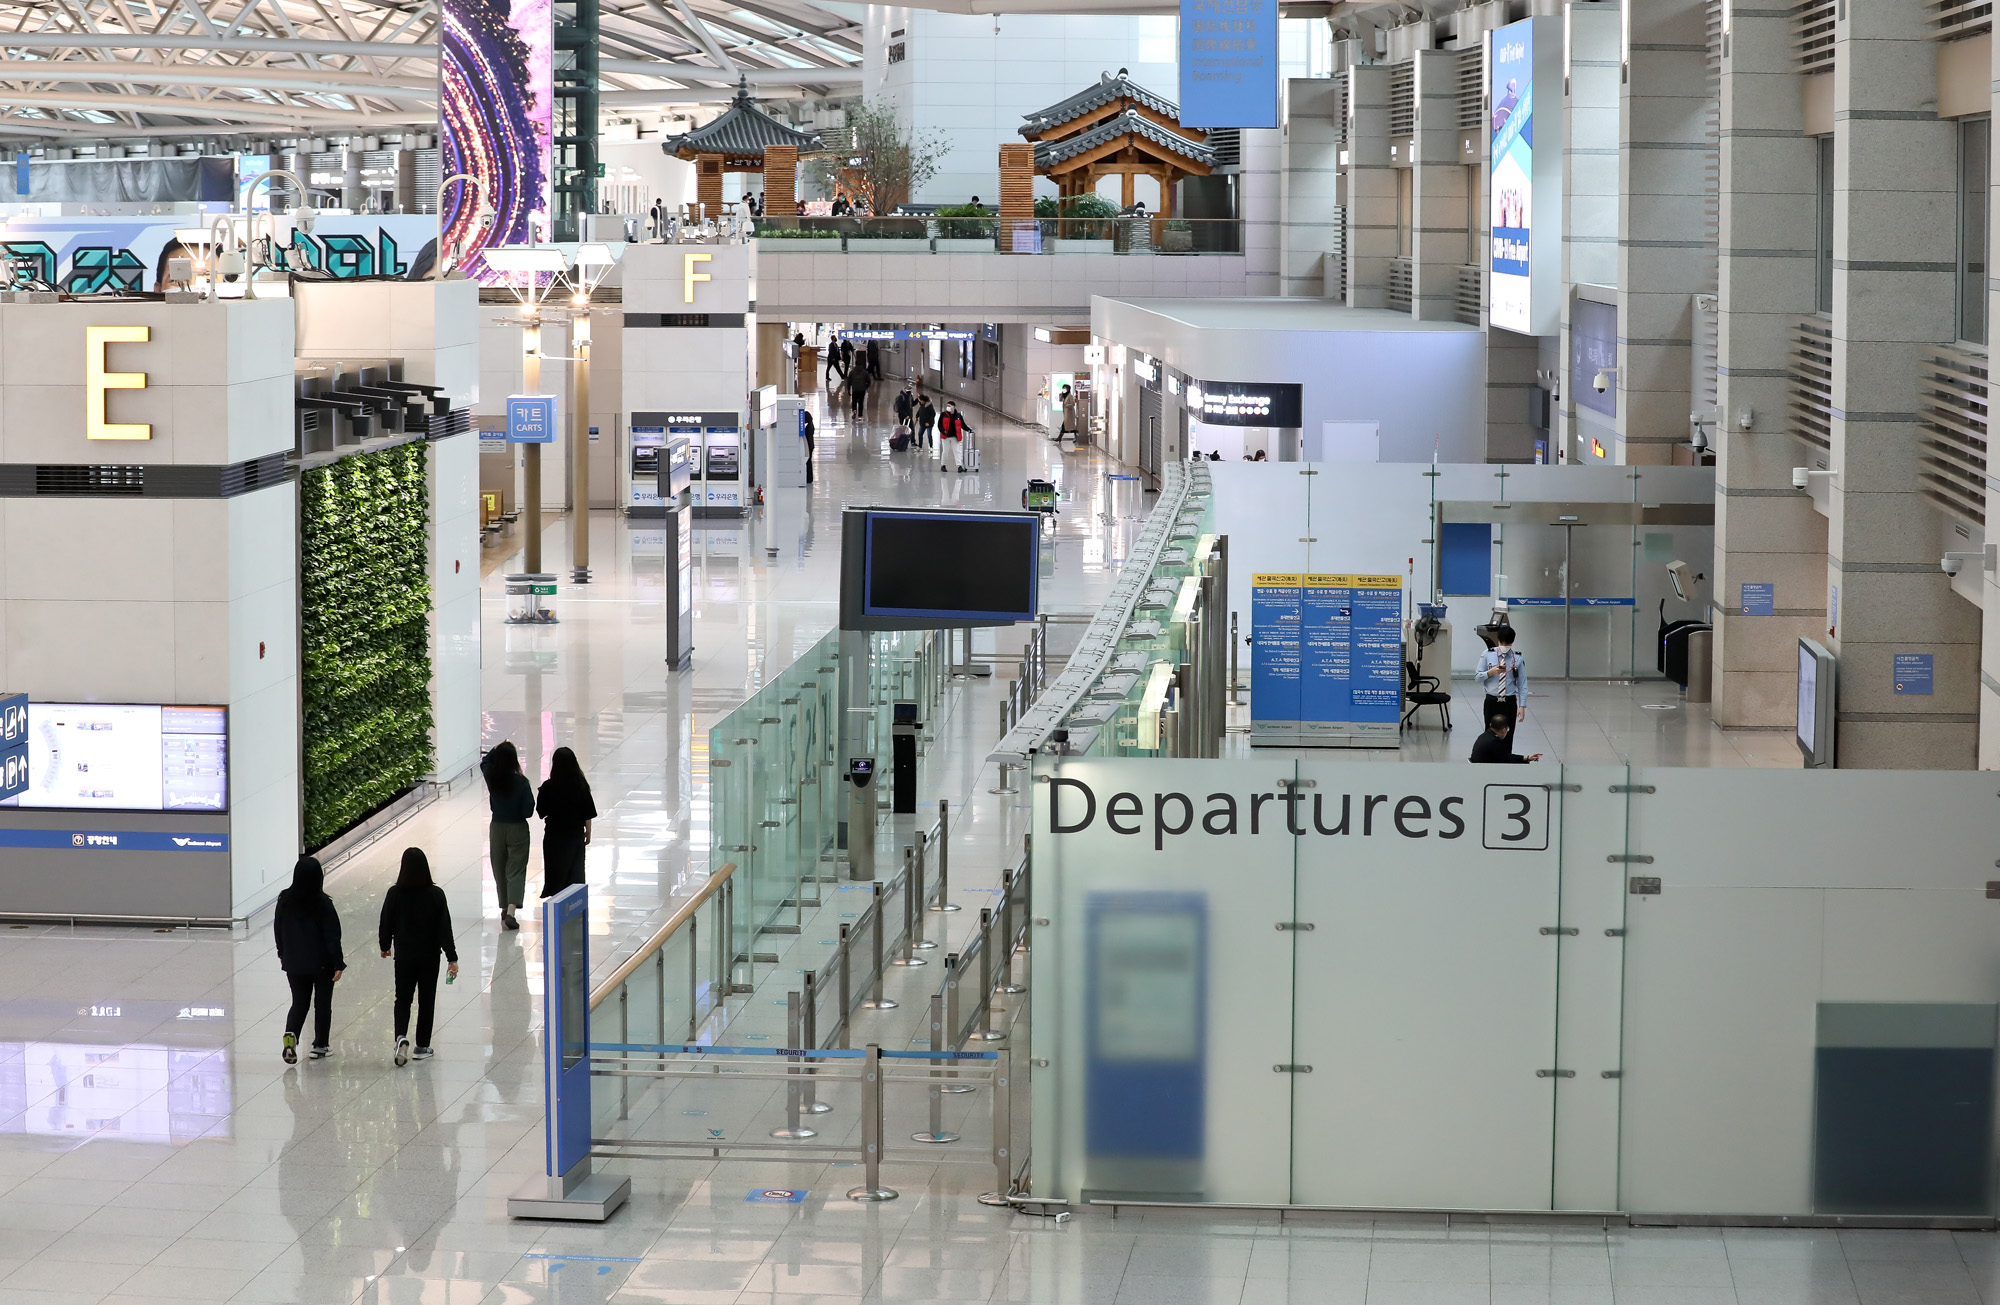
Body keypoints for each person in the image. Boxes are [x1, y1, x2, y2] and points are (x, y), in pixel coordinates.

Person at [379, 848, 459, 1066]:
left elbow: (386, 922)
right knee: (426, 1000)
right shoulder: (435, 894)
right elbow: (445, 928)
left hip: (404, 956)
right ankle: (422, 1046)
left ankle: (400, 1037)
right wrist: (452, 958)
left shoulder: (394, 894)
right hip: (429, 956)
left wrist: (384, 946)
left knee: (402, 998)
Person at [274, 854, 344, 1064]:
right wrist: (338, 963)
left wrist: (282, 952)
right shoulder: (322, 902)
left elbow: (278, 928)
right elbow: (332, 935)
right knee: (322, 1004)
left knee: (299, 1002)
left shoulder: (285, 899)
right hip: (321, 962)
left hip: (293, 961)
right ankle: (320, 1045)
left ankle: (291, 1034)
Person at [481, 741, 534, 930]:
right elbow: (528, 811)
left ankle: (503, 905)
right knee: (516, 869)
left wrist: (494, 750)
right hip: (517, 828)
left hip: (497, 827)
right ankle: (511, 910)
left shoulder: (491, 777)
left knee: (499, 867)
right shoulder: (521, 782)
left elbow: (484, 762)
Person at [537, 747, 598, 899]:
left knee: (556, 873)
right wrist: (588, 833)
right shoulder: (581, 786)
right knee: (575, 873)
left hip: (554, 837)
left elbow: (541, 812)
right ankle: (575, 907)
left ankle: (557, 907)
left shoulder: (548, 787)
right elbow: (587, 813)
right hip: (574, 837)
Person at [1477, 624, 1529, 725]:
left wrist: (1522, 706)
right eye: (1502, 643)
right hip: (1492, 700)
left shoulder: (1517, 658)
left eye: (1508, 644)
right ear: (1498, 641)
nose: (1504, 646)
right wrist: (1490, 672)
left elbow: (1522, 684)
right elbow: (1477, 677)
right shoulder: (1487, 654)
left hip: (1509, 701)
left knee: (1508, 734)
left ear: (1512, 642)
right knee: (1490, 734)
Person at [1471, 713, 1541, 764]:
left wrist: (1526, 758)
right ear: (1504, 730)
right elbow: (1508, 761)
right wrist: (1525, 763)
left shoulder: (1484, 736)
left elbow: (1506, 756)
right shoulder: (1495, 742)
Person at [938, 401, 971, 472]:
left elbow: (963, 425)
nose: (948, 407)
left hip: (955, 437)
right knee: (945, 451)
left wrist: (968, 429)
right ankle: (943, 465)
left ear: (954, 407)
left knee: (957, 451)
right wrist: (943, 431)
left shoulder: (958, 416)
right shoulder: (943, 414)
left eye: (949, 405)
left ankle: (959, 466)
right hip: (945, 437)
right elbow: (939, 424)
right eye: (947, 406)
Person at [799, 408, 816, 483]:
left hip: (808, 446)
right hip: (811, 445)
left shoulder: (808, 428)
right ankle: (809, 478)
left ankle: (809, 478)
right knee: (809, 461)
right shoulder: (810, 425)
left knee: (808, 462)